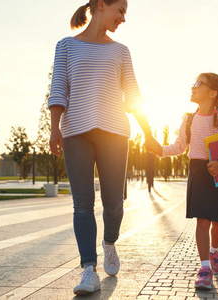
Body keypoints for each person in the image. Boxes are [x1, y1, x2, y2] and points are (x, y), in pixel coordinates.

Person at [48, 0, 157, 295]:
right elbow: (59, 88)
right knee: (82, 204)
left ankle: (109, 243)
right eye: (119, 10)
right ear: (100, 5)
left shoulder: (120, 51)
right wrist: (54, 129)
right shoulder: (66, 46)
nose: (123, 18)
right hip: (75, 133)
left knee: (114, 203)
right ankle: (88, 270)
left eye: (125, 13)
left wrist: (148, 133)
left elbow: (133, 94)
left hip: (115, 133)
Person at [148, 72, 218, 290]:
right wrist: (160, 150)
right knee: (202, 221)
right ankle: (204, 268)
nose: (193, 87)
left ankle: (214, 251)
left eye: (198, 84)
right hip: (199, 173)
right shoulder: (188, 119)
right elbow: (180, 146)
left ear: (213, 93)